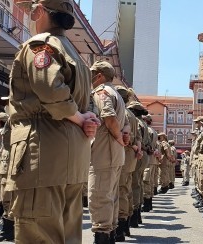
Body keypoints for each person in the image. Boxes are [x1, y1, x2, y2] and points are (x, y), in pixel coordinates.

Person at [6, 1, 99, 242]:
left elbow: (50, 89)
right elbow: (86, 104)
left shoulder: (40, 46)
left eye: (31, 8)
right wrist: (82, 119)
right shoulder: (75, 55)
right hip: (71, 155)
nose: (29, 13)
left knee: (38, 232)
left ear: (40, 11)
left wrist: (79, 117)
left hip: (43, 152)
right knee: (67, 234)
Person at [88, 60, 129, 243]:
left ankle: (103, 235)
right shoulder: (116, 94)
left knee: (99, 196)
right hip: (113, 153)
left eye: (92, 74)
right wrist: (122, 137)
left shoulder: (102, 92)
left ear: (99, 76)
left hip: (104, 152)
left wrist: (119, 137)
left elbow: (109, 118)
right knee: (110, 197)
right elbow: (125, 123)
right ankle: (110, 233)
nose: (90, 78)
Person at [115, 86, 142, 240]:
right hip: (130, 156)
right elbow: (138, 137)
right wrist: (137, 149)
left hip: (123, 154)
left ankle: (121, 226)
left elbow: (128, 136)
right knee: (127, 189)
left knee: (120, 191)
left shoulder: (123, 113)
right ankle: (125, 225)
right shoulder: (132, 115)